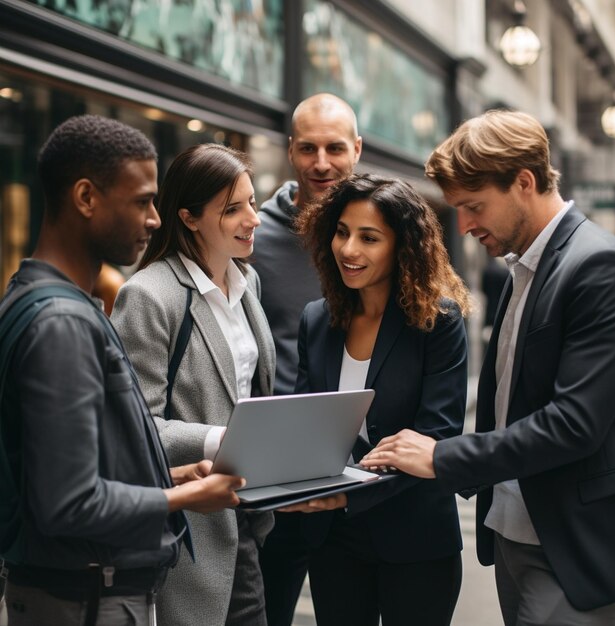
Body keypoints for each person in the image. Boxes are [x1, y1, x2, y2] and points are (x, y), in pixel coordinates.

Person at [361, 110, 615, 625]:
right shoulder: (520, 267)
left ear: (524, 182)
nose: (463, 225)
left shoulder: (599, 266)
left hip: (569, 544)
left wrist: (443, 455)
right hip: (512, 530)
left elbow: (574, 423)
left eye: (474, 206)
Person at [0, 115, 244, 626]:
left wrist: (170, 474)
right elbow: (67, 503)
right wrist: (186, 495)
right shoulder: (61, 323)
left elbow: (75, 468)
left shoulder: (47, 300)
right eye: (141, 201)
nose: (156, 219)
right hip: (84, 600)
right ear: (86, 197)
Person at [285, 173, 470, 626]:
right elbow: (306, 420)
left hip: (416, 536)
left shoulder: (437, 320)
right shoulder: (318, 319)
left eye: (369, 238)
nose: (349, 250)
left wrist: (349, 497)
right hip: (335, 539)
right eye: (342, 233)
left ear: (402, 246)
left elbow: (438, 432)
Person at [111, 143, 276, 626]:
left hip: (249, 513)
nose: (253, 219)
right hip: (190, 532)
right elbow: (136, 429)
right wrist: (220, 438)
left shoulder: (249, 283)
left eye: (252, 202)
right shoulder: (148, 296)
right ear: (188, 217)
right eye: (233, 209)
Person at [254, 92, 362, 625]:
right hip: (275, 467)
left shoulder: (378, 229)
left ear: (357, 150)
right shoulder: (251, 234)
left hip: (359, 466)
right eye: (309, 148)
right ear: (290, 151)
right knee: (268, 608)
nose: (322, 163)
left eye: (335, 148)